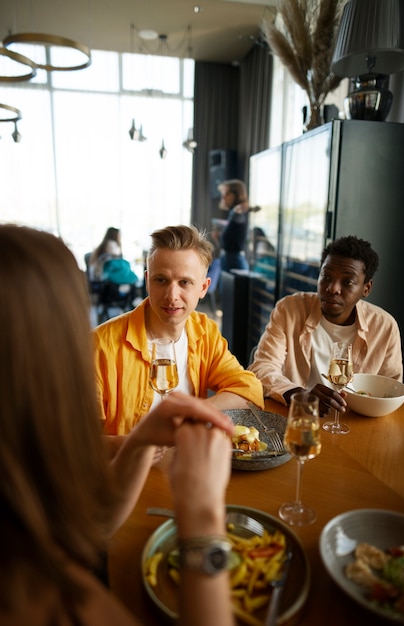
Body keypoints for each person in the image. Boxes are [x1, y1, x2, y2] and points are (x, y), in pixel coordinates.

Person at [0, 224, 235, 626]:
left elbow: (89, 529)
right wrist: (202, 522)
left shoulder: (24, 496)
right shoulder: (30, 589)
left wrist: (142, 440)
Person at [94, 224, 264, 438]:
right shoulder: (100, 345)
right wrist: (131, 445)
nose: (172, 295)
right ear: (148, 282)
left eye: (184, 282)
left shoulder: (204, 332)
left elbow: (250, 390)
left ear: (203, 288)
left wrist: (191, 411)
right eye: (161, 280)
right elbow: (73, 439)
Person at [248, 235, 403, 416]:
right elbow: (262, 367)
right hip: (296, 416)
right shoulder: (290, 309)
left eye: (347, 282)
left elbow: (391, 391)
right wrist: (297, 394)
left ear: (366, 288)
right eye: (326, 277)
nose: (332, 288)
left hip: (355, 422)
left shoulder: (385, 326)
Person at [216, 179, 260, 273]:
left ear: (234, 195)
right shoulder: (233, 214)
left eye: (226, 194)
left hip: (234, 262)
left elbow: (241, 210)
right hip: (228, 260)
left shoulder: (237, 212)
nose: (223, 198)